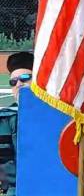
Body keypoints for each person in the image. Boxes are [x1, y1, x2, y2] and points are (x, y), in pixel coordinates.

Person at [0, 51, 33, 195]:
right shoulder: (5, 119)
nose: (19, 84)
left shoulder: (57, 114)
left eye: (25, 78)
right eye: (13, 81)